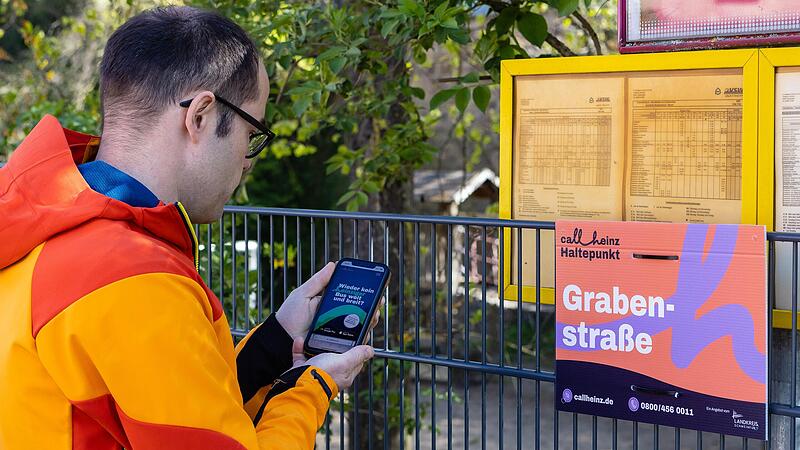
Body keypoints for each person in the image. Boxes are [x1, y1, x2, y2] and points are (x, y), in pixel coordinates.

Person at [0, 6, 375, 449]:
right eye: (251, 133)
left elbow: (175, 409)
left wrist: (275, 341)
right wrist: (311, 388)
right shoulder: (130, 276)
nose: (247, 161)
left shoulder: (48, 232)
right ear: (199, 115)